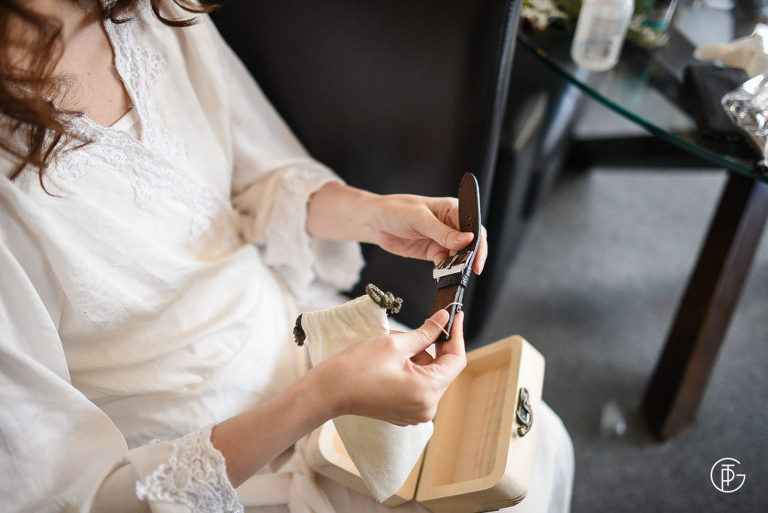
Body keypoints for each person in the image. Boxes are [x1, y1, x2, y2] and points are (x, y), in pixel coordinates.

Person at [0, 1, 574, 512]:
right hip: (198, 455)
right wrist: (325, 396)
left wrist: (372, 213)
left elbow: (256, 178)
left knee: (538, 440)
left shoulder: (149, 10)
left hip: (294, 335)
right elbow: (77, 494)